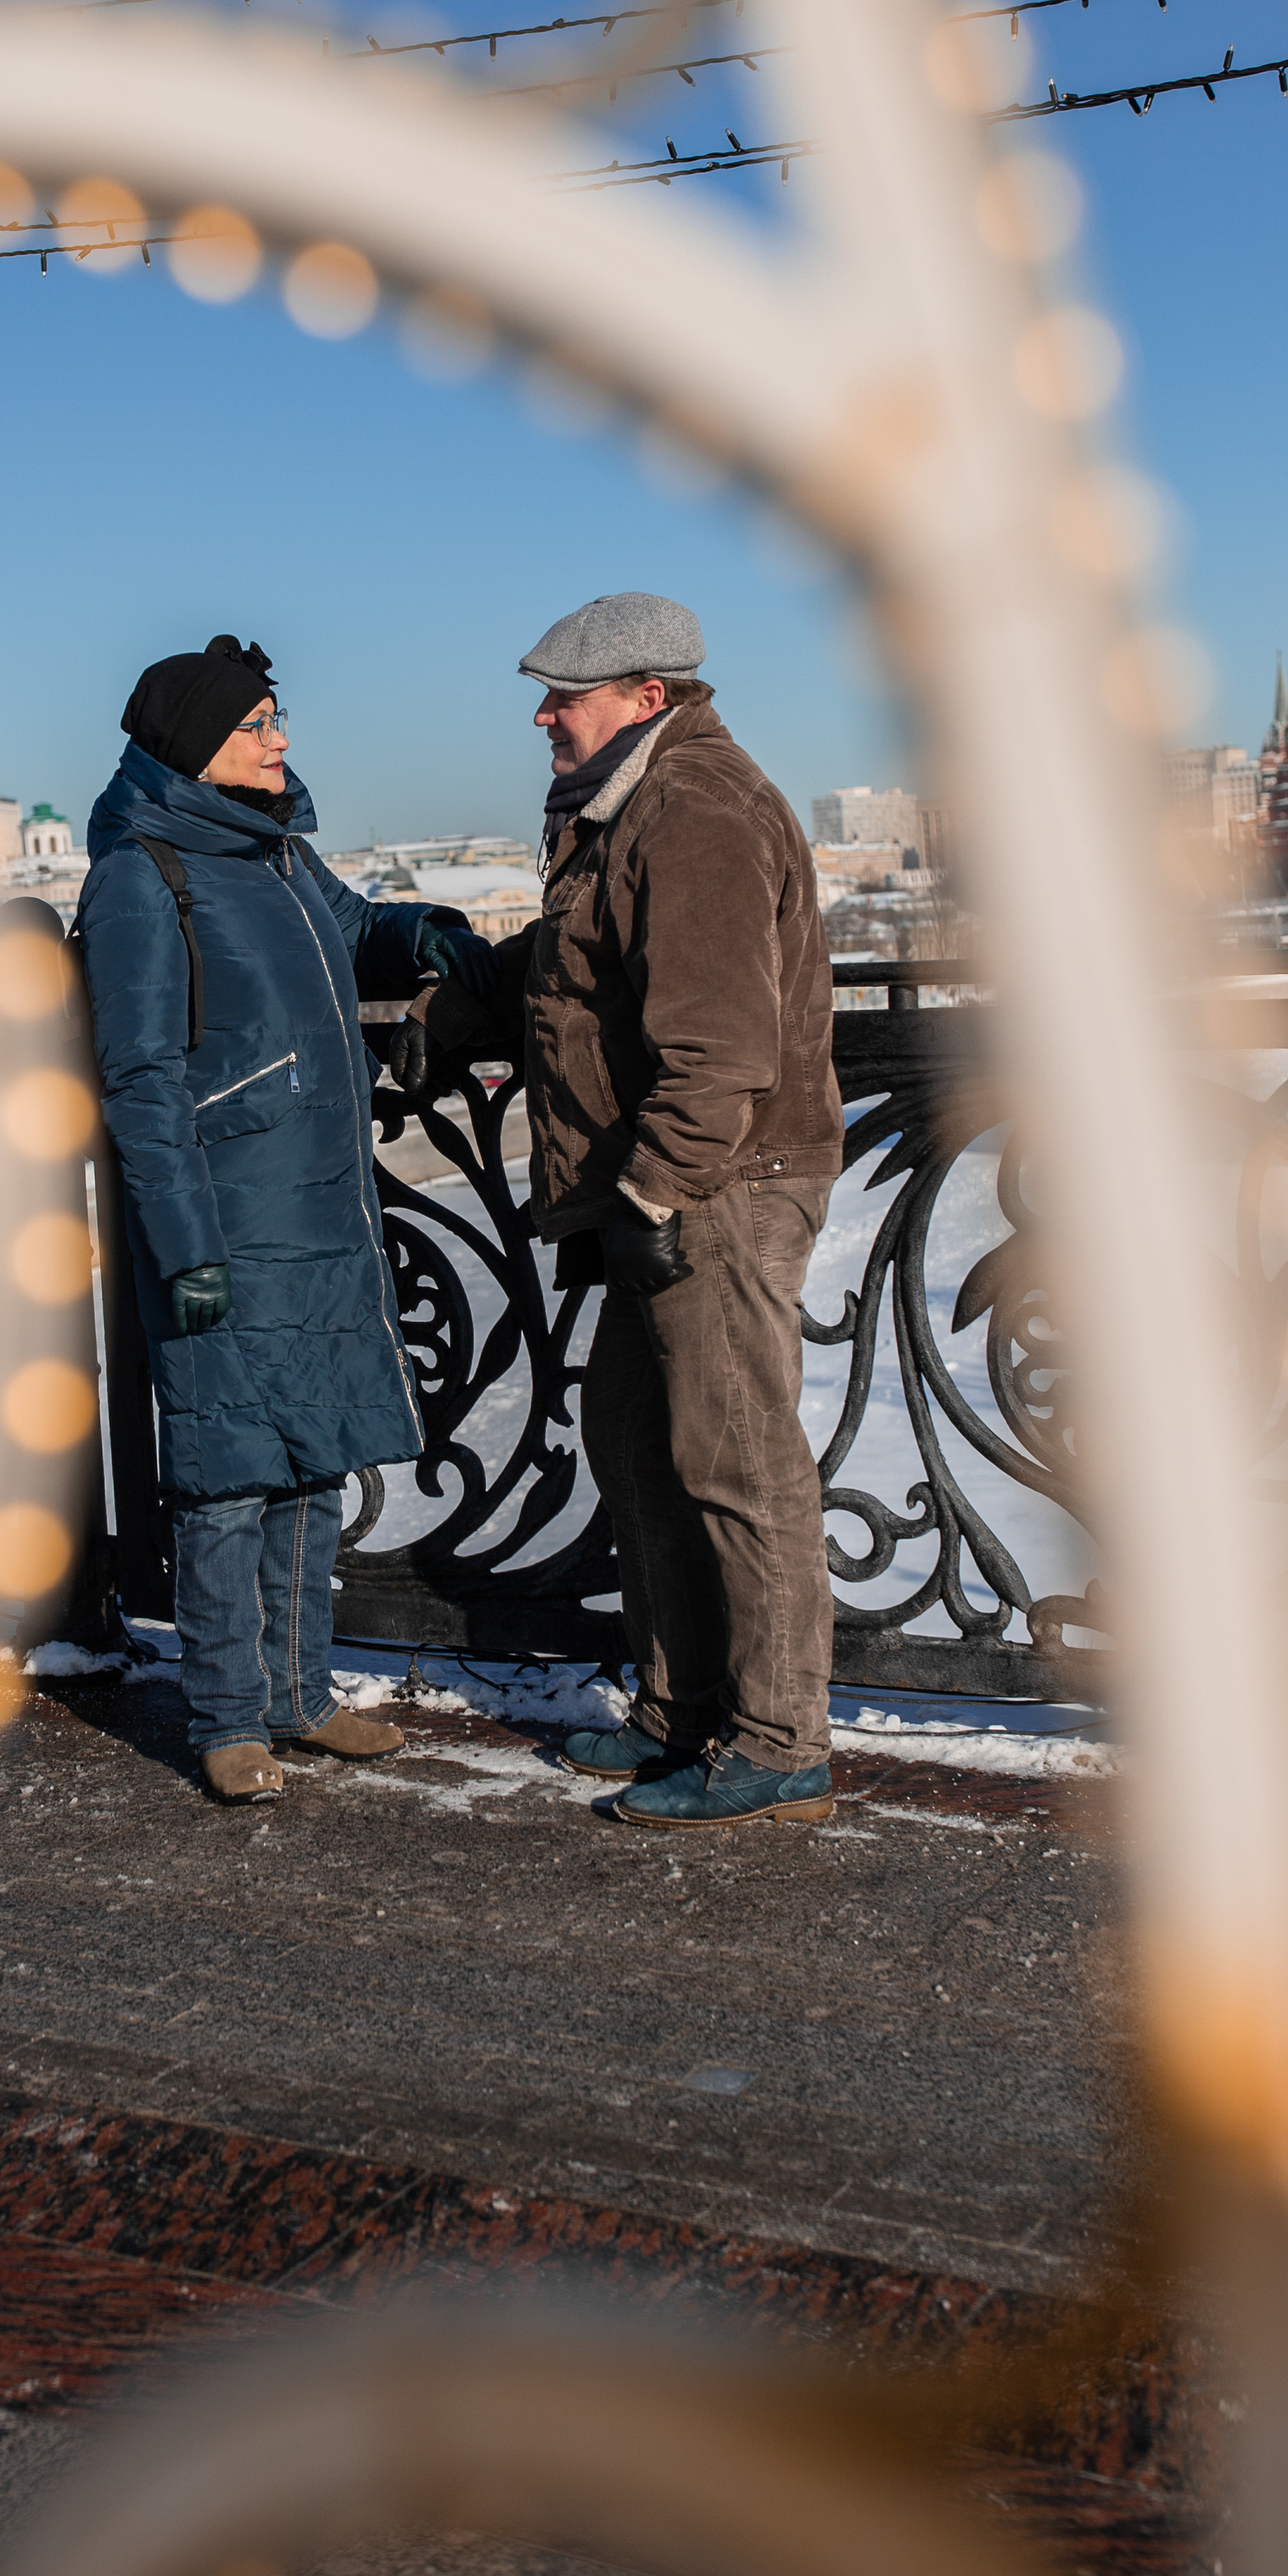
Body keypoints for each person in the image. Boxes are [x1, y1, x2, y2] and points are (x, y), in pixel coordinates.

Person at [76, 633, 495, 1802]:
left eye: (276, 721)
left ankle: (303, 1698)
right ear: (199, 743)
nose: (283, 740)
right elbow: (143, 1082)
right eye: (260, 726)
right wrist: (187, 1249)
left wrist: (424, 936)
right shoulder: (142, 875)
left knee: (310, 1462)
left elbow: (356, 926)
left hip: (320, 1209)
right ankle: (225, 1718)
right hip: (223, 1220)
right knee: (225, 1475)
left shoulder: (276, 856)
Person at [496, 591, 844, 1829]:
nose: (542, 713)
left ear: (647, 698)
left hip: (716, 1189)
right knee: (643, 1448)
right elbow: (579, 973)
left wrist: (648, 1188)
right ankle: (681, 1705)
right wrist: (452, 1002)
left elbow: (722, 1054)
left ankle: (776, 1736)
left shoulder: (693, 809)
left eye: (564, 695)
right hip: (667, 1189)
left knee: (735, 1460)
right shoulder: (631, 804)